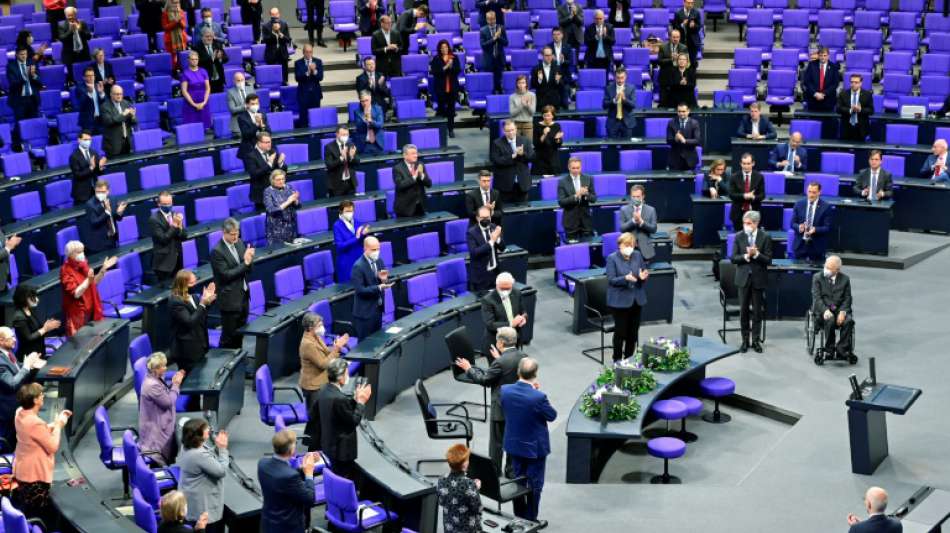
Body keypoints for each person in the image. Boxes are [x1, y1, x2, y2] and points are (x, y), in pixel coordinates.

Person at [454, 327, 525, 475]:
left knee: (496, 443)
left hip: (500, 408)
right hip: (518, 407)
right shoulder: (524, 357)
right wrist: (499, 358)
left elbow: (484, 380)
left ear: (500, 343)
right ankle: (511, 470)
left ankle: (495, 471)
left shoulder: (500, 363)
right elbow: (510, 370)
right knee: (512, 439)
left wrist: (469, 368)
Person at [500, 358, 554, 525]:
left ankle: (519, 517)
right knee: (535, 484)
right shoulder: (538, 397)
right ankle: (530, 520)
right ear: (535, 374)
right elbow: (552, 415)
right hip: (534, 450)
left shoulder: (505, 390)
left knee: (518, 482)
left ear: (518, 372)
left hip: (514, 446)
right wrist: (536, 392)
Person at [12, 383, 69, 527]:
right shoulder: (35, 423)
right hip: (34, 476)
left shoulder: (20, 412)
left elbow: (35, 433)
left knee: (29, 508)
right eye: (41, 395)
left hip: (22, 469)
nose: (43, 396)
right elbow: (52, 446)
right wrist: (59, 426)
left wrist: (54, 424)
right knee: (39, 515)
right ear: (35, 400)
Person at [317, 359, 372, 480]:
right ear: (340, 378)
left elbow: (340, 412)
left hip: (329, 444)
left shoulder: (324, 390)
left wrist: (354, 400)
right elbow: (353, 421)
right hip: (341, 451)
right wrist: (361, 402)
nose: (348, 376)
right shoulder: (339, 399)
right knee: (342, 478)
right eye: (346, 373)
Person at [258, 430, 319, 533]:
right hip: (288, 528)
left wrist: (302, 468)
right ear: (291, 450)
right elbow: (310, 498)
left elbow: (281, 477)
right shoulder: (290, 476)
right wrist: (309, 473)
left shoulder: (262, 464)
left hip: (268, 524)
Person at [731, 210, 772, 353]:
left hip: (758, 279)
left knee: (757, 312)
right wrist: (746, 256)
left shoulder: (765, 237)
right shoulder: (739, 236)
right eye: (744, 223)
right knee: (743, 311)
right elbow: (733, 258)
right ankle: (744, 340)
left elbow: (768, 260)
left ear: (756, 223)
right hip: (743, 279)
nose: (746, 226)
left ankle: (755, 340)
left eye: (748, 223)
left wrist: (757, 254)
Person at [177, 419, 228, 533]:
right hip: (202, 507)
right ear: (198, 435)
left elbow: (207, 454)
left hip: (191, 499)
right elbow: (221, 471)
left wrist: (217, 447)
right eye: (206, 428)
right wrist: (223, 449)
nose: (209, 429)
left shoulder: (188, 445)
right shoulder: (199, 455)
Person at [210, 218, 254, 350]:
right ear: (224, 232)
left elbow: (247, 269)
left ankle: (238, 357)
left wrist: (250, 260)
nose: (236, 237)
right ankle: (224, 361)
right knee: (229, 337)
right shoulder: (217, 251)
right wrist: (245, 263)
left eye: (237, 233)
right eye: (232, 234)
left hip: (243, 296)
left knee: (240, 334)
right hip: (229, 300)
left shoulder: (239, 243)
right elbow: (226, 275)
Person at [605, 233, 649, 360]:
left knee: (633, 333)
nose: (630, 248)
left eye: (632, 245)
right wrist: (625, 278)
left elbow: (642, 272)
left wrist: (643, 277)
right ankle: (617, 360)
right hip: (619, 301)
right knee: (621, 333)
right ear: (620, 245)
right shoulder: (612, 258)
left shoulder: (637, 255)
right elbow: (611, 280)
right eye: (626, 245)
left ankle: (629, 359)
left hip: (636, 300)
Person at [60, 241, 116, 336]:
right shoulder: (65, 270)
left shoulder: (83, 265)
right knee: (80, 341)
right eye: (78, 252)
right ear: (70, 254)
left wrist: (103, 269)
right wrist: (88, 280)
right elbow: (76, 293)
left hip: (91, 310)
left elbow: (93, 282)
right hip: (77, 315)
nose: (82, 254)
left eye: (82, 251)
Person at [0, 334, 45, 451]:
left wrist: (30, 363)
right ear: (1, 340)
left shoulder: (8, 353)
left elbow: (15, 368)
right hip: (7, 410)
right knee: (10, 444)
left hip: (17, 404)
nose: (15, 339)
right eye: (11, 337)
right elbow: (12, 384)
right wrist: (26, 367)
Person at [139, 352, 185, 464]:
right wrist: (176, 385)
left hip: (158, 422)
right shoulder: (152, 385)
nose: (166, 368)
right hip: (155, 431)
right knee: (163, 456)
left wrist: (172, 383)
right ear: (155, 369)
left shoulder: (155, 378)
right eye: (163, 366)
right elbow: (168, 402)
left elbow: (165, 392)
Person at [299, 312, 348, 412]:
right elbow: (323, 364)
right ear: (311, 328)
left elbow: (325, 351)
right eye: (319, 325)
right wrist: (337, 348)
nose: (322, 328)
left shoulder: (315, 336)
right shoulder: (308, 344)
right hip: (313, 385)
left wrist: (336, 346)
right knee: (316, 416)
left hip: (321, 380)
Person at [811, 255, 856, 361]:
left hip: (839, 309)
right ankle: (829, 349)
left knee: (849, 321)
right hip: (823, 310)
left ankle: (841, 349)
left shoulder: (845, 279)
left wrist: (842, 312)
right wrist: (825, 310)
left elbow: (847, 298)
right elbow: (817, 298)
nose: (826, 270)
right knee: (829, 319)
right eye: (825, 266)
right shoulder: (817, 277)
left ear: (837, 270)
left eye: (829, 268)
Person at [169, 270, 215, 372]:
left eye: (195, 281)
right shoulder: (176, 301)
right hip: (186, 349)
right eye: (191, 283)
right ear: (183, 284)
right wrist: (202, 304)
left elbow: (200, 315)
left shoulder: (193, 296)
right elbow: (190, 322)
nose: (195, 284)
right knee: (189, 378)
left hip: (199, 342)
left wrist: (208, 302)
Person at [350, 236, 391, 339]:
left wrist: (384, 280)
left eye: (378, 249)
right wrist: (379, 287)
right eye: (373, 250)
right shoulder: (358, 266)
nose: (376, 252)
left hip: (378, 310)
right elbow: (360, 290)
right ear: (365, 249)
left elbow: (384, 280)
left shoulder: (379, 261)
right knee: (366, 344)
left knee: (378, 341)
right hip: (365, 314)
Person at [437, 444, 483, 533]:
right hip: (467, 528)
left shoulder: (441, 479)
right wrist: (476, 489)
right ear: (464, 464)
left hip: (449, 527)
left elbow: (441, 502)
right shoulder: (469, 484)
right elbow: (478, 508)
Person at [490, 120, 534, 204]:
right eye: (508, 131)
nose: (510, 133)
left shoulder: (525, 140)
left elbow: (532, 157)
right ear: (503, 131)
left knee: (523, 209)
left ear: (516, 129)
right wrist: (512, 156)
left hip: (522, 184)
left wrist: (522, 154)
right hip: (505, 185)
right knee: (505, 209)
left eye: (512, 130)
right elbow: (496, 161)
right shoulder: (497, 143)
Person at [481, 272, 528, 351]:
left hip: (514, 339)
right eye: (502, 289)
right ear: (497, 285)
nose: (505, 291)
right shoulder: (487, 300)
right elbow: (490, 324)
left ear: (512, 285)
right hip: (497, 342)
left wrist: (524, 318)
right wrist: (511, 324)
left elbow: (523, 311)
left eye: (508, 288)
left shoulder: (517, 293)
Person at [11, 285, 60, 360]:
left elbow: (38, 330)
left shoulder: (30, 310)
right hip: (29, 356)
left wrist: (48, 327)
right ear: (23, 298)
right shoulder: (19, 317)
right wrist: (44, 329)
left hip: (39, 352)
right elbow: (29, 338)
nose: (37, 300)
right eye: (33, 297)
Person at [244, 132, 287, 211]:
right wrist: (269, 164)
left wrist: (280, 163)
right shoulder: (250, 156)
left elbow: (283, 171)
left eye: (270, 142)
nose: (269, 144)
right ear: (259, 143)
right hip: (261, 196)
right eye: (266, 142)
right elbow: (254, 174)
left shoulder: (273, 151)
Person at [792, 181, 833, 263]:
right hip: (800, 245)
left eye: (814, 192)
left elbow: (827, 227)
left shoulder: (826, 207)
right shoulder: (799, 204)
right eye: (809, 192)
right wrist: (799, 227)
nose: (811, 195)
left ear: (819, 192)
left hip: (816, 247)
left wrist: (815, 229)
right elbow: (792, 223)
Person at [150, 191, 187, 282]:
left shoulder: (175, 215)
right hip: (164, 264)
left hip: (177, 259)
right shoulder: (154, 219)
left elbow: (184, 236)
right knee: (167, 289)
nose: (168, 206)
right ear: (159, 204)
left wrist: (180, 226)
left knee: (180, 287)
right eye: (164, 204)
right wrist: (174, 225)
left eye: (169, 203)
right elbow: (163, 239)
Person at [467, 206, 506, 294]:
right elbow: (474, 253)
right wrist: (491, 241)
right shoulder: (471, 233)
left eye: (487, 217)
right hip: (481, 276)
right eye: (483, 218)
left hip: (495, 273)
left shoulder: (494, 227)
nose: (485, 220)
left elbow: (503, 248)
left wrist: (497, 239)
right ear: (477, 218)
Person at [558, 157, 598, 240]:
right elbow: (561, 202)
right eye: (573, 168)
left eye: (578, 168)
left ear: (581, 167)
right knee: (573, 247)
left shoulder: (588, 178)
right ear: (569, 167)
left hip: (586, 222)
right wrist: (576, 196)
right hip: (570, 223)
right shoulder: (562, 182)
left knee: (587, 245)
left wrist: (586, 194)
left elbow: (594, 199)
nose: (576, 170)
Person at [83, 180, 126, 255]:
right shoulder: (90, 205)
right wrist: (107, 212)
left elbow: (117, 218)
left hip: (112, 238)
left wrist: (119, 213)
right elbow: (94, 222)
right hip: (99, 242)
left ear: (108, 191)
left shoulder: (113, 199)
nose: (100, 194)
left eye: (103, 192)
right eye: (97, 192)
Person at [333, 201, 370, 283]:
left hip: (359, 259)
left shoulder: (357, 222)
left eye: (351, 211)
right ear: (341, 212)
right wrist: (356, 238)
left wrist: (365, 234)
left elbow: (362, 240)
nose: (350, 213)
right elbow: (340, 246)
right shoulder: (337, 225)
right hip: (346, 263)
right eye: (347, 211)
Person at [431, 40, 461, 137]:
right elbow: (435, 72)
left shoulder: (454, 57)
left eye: (446, 47)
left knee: (451, 109)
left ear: (448, 47)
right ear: (439, 49)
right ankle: (441, 130)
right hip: (441, 88)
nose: (444, 49)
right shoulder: (436, 59)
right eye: (442, 47)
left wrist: (451, 67)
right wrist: (446, 66)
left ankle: (451, 129)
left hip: (452, 87)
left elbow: (458, 70)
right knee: (441, 108)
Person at [619, 185, 658, 261]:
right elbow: (622, 228)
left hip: (645, 249)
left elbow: (653, 229)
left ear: (643, 196)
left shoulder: (651, 210)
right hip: (628, 247)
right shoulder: (624, 209)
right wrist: (633, 220)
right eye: (633, 197)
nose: (636, 199)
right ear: (631, 196)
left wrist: (641, 222)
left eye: (638, 196)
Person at [728, 153, 765, 234]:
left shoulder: (759, 177)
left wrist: (753, 197)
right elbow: (731, 194)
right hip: (738, 214)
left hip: (754, 213)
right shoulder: (734, 177)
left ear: (753, 163)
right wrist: (744, 196)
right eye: (744, 163)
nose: (746, 166)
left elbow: (762, 195)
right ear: (740, 164)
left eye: (748, 163)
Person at [393, 144, 432, 217]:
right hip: (405, 209)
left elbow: (429, 184)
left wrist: (422, 176)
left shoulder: (420, 165)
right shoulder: (397, 168)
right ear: (405, 155)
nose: (416, 156)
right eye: (413, 154)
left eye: (416, 153)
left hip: (420, 206)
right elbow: (400, 185)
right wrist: (414, 177)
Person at [263, 170, 300, 245]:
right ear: (272, 180)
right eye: (278, 180)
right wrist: (288, 201)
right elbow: (271, 210)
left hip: (291, 226)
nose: (281, 181)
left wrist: (296, 200)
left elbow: (297, 206)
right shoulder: (268, 191)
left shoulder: (288, 187)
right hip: (276, 228)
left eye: (283, 179)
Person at [70, 131, 107, 205]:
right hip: (82, 194)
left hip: (94, 190)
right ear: (79, 140)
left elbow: (98, 172)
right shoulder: (74, 156)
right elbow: (78, 175)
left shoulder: (93, 152)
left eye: (89, 140)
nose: (88, 142)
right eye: (85, 139)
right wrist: (91, 168)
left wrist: (101, 167)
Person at [7, 47, 40, 125]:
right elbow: (13, 83)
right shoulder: (11, 66)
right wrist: (25, 76)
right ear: (16, 55)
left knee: (34, 124)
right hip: (19, 101)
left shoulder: (31, 63)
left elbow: (40, 82)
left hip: (32, 99)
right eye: (21, 54)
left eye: (25, 54)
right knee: (21, 125)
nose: (24, 56)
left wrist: (34, 76)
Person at [101, 85, 136, 156]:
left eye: (121, 94)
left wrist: (133, 116)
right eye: (117, 94)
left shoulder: (126, 103)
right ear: (111, 94)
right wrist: (123, 114)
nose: (119, 96)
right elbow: (109, 121)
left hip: (127, 142)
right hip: (113, 145)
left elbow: (134, 122)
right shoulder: (104, 107)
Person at [802, 47, 840, 112]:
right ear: (818, 56)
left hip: (828, 98)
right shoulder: (811, 65)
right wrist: (815, 93)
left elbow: (835, 83)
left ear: (828, 56)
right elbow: (807, 81)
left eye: (825, 55)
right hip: (813, 98)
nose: (823, 57)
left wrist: (823, 94)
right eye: (821, 55)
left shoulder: (834, 67)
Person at [837, 74, 874, 142]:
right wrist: (850, 110)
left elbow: (871, 110)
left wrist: (860, 110)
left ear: (860, 83)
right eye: (852, 82)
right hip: (846, 127)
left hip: (861, 128)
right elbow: (838, 109)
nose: (853, 84)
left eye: (856, 82)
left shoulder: (867, 95)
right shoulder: (843, 94)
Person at [325, 126, 360, 197]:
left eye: (347, 134)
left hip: (350, 183)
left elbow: (358, 162)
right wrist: (341, 158)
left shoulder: (351, 145)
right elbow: (329, 165)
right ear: (337, 134)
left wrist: (351, 157)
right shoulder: (329, 147)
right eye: (343, 134)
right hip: (336, 185)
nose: (345, 137)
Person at [58, 7, 91, 80]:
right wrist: (70, 31)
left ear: (75, 14)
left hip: (83, 53)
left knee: (85, 73)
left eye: (72, 15)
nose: (70, 17)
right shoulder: (62, 25)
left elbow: (89, 37)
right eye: (68, 15)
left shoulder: (82, 23)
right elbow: (62, 39)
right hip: (69, 55)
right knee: (71, 76)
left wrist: (80, 30)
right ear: (65, 15)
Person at [181, 51, 211, 129]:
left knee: (205, 127)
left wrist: (204, 102)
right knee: (192, 128)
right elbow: (184, 91)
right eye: (192, 59)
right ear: (188, 60)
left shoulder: (203, 71)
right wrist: (194, 104)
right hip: (190, 104)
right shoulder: (185, 73)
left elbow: (208, 88)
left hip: (203, 103)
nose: (194, 61)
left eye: (196, 59)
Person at [294, 44, 324, 125]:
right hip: (303, 95)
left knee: (316, 117)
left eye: (310, 52)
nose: (309, 54)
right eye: (307, 52)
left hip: (315, 94)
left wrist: (314, 71)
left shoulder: (318, 61)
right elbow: (297, 78)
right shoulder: (298, 63)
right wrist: (308, 72)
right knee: (304, 118)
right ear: (303, 52)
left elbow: (320, 77)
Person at [667, 103, 701, 171]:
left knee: (690, 178)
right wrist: (675, 139)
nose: (681, 113)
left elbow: (697, 140)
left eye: (683, 111)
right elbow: (668, 140)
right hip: (675, 159)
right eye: (679, 111)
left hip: (690, 159)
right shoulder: (671, 122)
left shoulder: (694, 123)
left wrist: (684, 140)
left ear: (688, 111)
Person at [604, 68, 637, 138]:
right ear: (614, 77)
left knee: (627, 145)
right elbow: (604, 105)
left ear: (625, 77)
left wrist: (624, 99)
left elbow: (633, 105)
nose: (620, 80)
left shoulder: (631, 88)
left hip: (627, 123)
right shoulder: (608, 88)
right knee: (611, 144)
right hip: (613, 123)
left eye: (622, 78)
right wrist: (614, 100)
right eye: (618, 78)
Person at [532, 106, 564, 177]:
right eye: (545, 115)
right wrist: (544, 134)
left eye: (548, 115)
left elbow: (558, 145)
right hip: (540, 159)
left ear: (553, 116)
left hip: (553, 159)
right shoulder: (537, 125)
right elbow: (536, 144)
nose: (546, 118)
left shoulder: (556, 126)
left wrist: (557, 139)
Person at [480, 11, 508, 93]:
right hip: (489, 60)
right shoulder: (483, 30)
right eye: (489, 19)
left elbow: (506, 43)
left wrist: (498, 37)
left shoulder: (501, 28)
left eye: (493, 19)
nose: (491, 21)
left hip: (499, 59)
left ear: (495, 18)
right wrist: (494, 38)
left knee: (498, 82)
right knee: (489, 84)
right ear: (486, 20)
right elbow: (484, 46)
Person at [263, 8, 292, 84]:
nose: (275, 16)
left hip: (282, 54)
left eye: (276, 14)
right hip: (271, 54)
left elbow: (288, 40)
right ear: (270, 15)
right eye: (273, 14)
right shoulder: (265, 26)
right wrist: (273, 32)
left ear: (279, 14)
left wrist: (280, 33)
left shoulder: (284, 24)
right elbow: (265, 40)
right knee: (272, 77)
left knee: (284, 78)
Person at [237, 94, 270, 159]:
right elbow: (246, 134)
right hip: (249, 149)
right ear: (247, 105)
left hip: (263, 147)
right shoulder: (242, 117)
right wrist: (256, 124)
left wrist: (261, 125)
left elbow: (269, 132)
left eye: (257, 103)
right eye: (252, 104)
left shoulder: (262, 114)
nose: (255, 106)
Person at [194, 30, 227, 94]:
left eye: (211, 36)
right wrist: (212, 58)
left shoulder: (217, 44)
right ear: (202, 37)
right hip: (206, 79)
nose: (209, 38)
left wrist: (220, 58)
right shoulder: (197, 47)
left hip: (219, 78)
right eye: (207, 36)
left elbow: (226, 58)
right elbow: (199, 63)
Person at [532, 48, 564, 112]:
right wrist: (539, 80)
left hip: (554, 102)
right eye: (546, 55)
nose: (549, 57)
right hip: (541, 102)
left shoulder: (557, 68)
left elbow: (562, 86)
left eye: (550, 55)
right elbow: (533, 85)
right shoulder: (536, 68)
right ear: (542, 56)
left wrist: (557, 81)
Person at [548, 28, 574, 107]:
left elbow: (571, 62)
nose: (556, 36)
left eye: (558, 34)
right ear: (552, 36)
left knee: (564, 102)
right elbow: (545, 63)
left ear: (562, 35)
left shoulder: (567, 46)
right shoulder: (548, 47)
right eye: (554, 35)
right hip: (552, 77)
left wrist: (562, 61)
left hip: (564, 76)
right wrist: (551, 61)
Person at [672, 0, 703, 66]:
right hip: (681, 41)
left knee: (693, 61)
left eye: (692, 3)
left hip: (693, 41)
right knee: (681, 62)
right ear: (684, 3)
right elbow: (675, 27)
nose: (690, 5)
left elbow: (699, 26)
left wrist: (694, 25)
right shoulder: (678, 13)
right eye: (688, 3)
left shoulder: (696, 12)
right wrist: (682, 25)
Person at [75, 68, 106, 134]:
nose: (91, 77)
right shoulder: (80, 88)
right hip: (87, 122)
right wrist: (89, 93)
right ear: (84, 77)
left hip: (100, 120)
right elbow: (82, 103)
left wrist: (101, 93)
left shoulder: (98, 85)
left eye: (92, 75)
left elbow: (104, 103)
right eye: (88, 76)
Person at [162, 0, 189, 70]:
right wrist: (175, 21)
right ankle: (174, 71)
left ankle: (182, 71)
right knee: (172, 59)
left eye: (178, 2)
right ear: (169, 3)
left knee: (182, 58)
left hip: (181, 38)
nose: (176, 4)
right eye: (174, 3)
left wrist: (180, 21)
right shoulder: (165, 13)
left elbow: (184, 26)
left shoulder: (181, 11)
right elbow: (165, 27)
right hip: (170, 40)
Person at [509, 75, 537, 140]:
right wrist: (522, 105)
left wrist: (527, 106)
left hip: (528, 124)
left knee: (528, 144)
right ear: (517, 84)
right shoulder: (512, 97)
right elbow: (512, 113)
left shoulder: (532, 95)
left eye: (523, 82)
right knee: (516, 144)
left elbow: (532, 112)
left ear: (526, 84)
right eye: (519, 83)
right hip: (515, 124)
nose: (521, 85)